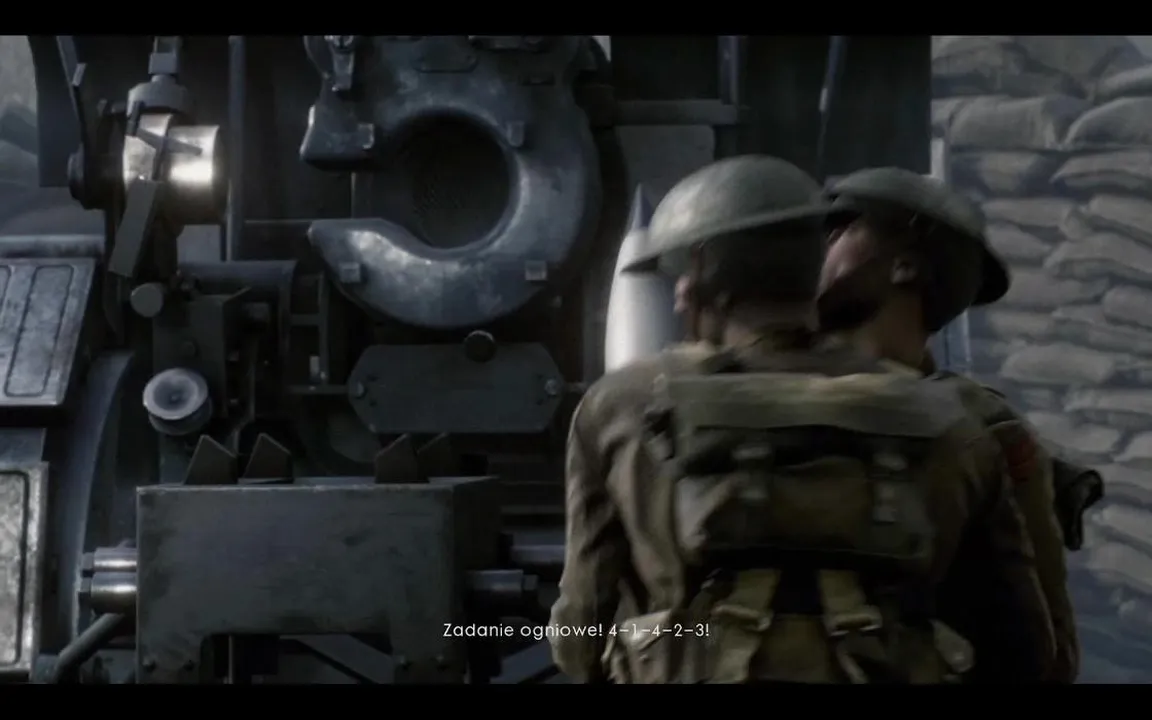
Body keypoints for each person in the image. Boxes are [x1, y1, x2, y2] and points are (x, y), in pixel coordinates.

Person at [549, 155, 1055, 684]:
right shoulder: (952, 422)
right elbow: (1023, 650)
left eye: (678, 275)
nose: (676, 296)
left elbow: (580, 633)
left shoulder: (621, 407)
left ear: (700, 270)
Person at [817, 166, 1081, 683]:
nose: (818, 248)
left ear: (904, 267)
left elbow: (1046, 653)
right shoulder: (756, 395)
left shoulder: (982, 430)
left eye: (841, 229)